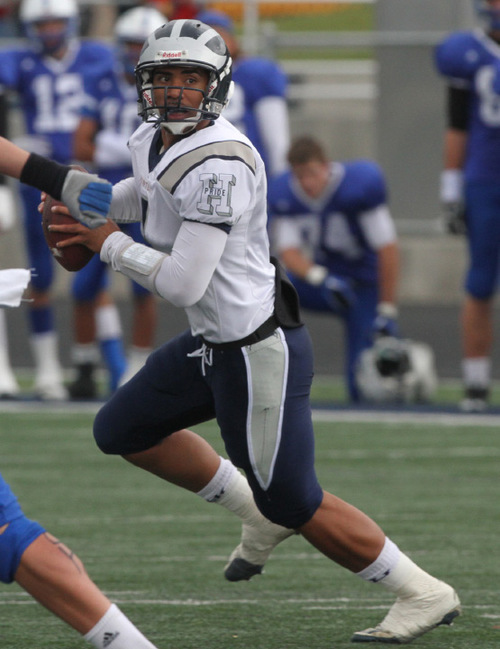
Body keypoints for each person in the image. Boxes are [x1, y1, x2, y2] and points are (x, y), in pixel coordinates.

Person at [50, 19, 461, 643]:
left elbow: (183, 283)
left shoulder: (221, 162)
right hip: (212, 342)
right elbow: (150, 195)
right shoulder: (152, 139)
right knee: (122, 429)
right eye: (164, 77)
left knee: (296, 501)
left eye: (191, 79)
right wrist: (94, 201)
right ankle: (255, 512)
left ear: (215, 86)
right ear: (144, 81)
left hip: (254, 348)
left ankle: (421, 591)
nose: (176, 92)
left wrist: (106, 244)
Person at [0, 0, 115, 399]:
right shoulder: (19, 60)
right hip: (36, 176)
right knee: (41, 274)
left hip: (88, 173)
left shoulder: (101, 55)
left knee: (101, 262)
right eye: (41, 22)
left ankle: (108, 364)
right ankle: (48, 371)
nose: (49, 29)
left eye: (55, 21)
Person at [68, 5, 166, 399]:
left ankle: (139, 363)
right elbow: (80, 142)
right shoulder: (102, 81)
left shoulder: (166, 87)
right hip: (104, 192)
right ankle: (85, 361)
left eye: (140, 44)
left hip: (147, 194)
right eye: (128, 43)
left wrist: (113, 147)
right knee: (84, 283)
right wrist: (121, 147)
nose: (133, 51)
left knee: (147, 283)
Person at [268, 135, 400, 403]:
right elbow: (289, 252)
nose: (306, 183)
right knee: (270, 291)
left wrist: (387, 307)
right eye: (299, 175)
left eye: (312, 173)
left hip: (362, 286)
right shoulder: (284, 192)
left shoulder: (359, 186)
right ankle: (261, 372)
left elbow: (387, 249)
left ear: (326, 166)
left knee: (363, 385)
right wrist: (321, 277)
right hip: (325, 281)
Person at [434, 0, 500, 413]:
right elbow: (457, 125)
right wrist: (451, 188)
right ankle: (476, 384)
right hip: (485, 181)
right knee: (479, 283)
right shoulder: (468, 53)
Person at [195, 9, 290, 179]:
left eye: (218, 38)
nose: (212, 46)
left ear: (232, 40)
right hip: (200, 168)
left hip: (248, 169)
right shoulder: (189, 79)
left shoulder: (255, 73)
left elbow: (276, 138)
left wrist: (278, 176)